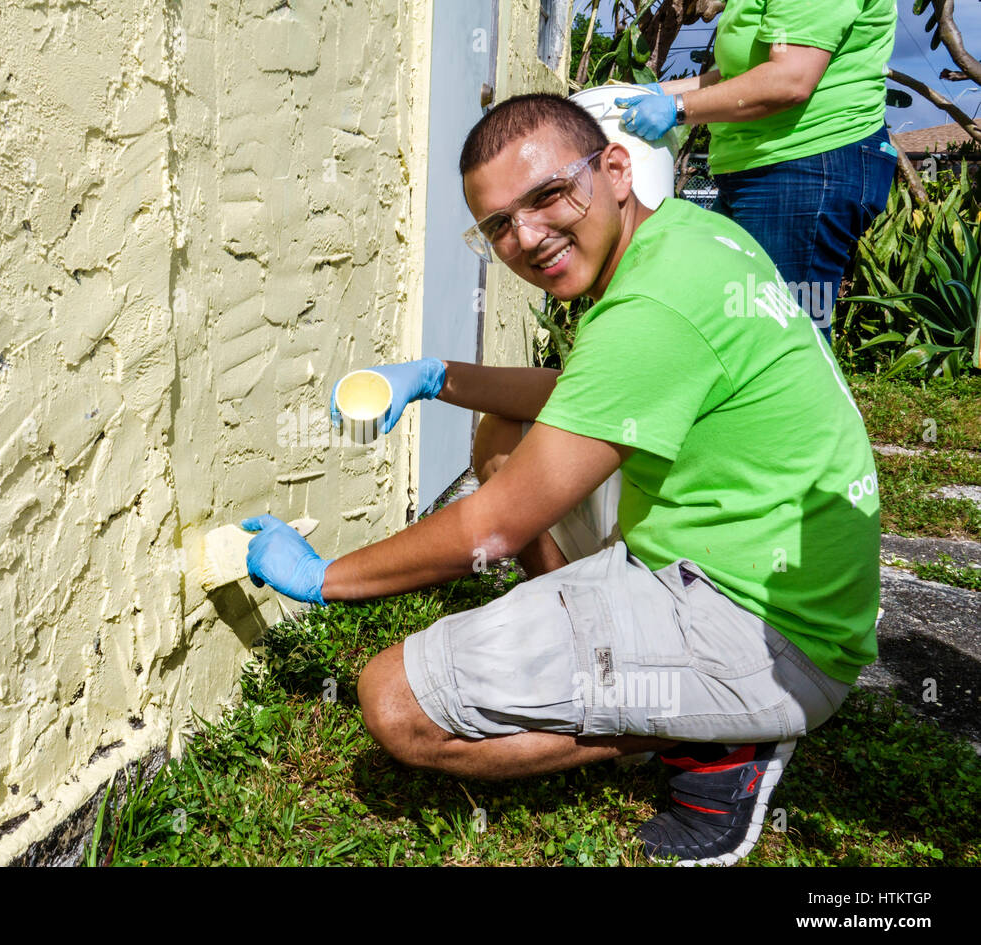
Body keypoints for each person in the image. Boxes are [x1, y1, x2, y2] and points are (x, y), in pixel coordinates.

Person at [242, 93, 881, 866]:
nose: (529, 238)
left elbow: (493, 527)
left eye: (547, 197)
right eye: (500, 225)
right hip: (756, 565)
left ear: (614, 168)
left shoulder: (652, 306)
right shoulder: (684, 238)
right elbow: (591, 400)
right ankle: (593, 645)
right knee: (503, 435)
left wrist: (323, 578)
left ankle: (726, 740)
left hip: (765, 636)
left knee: (395, 703)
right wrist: (440, 378)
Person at [614, 0, 898, 344]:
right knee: (730, 320)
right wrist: (655, 92)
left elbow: (788, 79)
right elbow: (743, 75)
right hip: (762, 169)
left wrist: (677, 108)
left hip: (806, 166)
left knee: (782, 335)